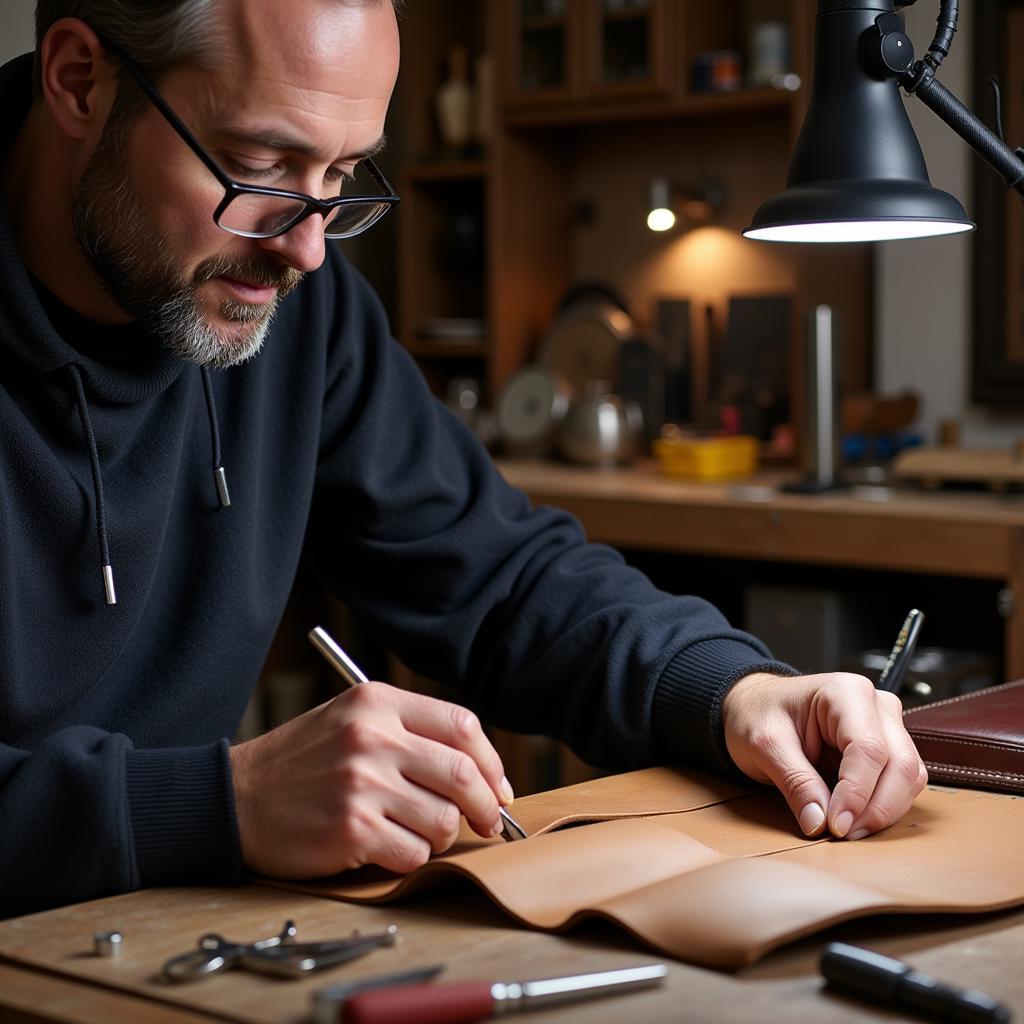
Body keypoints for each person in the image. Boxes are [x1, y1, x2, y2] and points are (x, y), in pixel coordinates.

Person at [0, 0, 927, 920]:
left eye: (344, 176)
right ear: (80, 80)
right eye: (257, 166)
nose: (308, 249)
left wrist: (733, 688)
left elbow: (498, 576)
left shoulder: (290, 305)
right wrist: (221, 804)